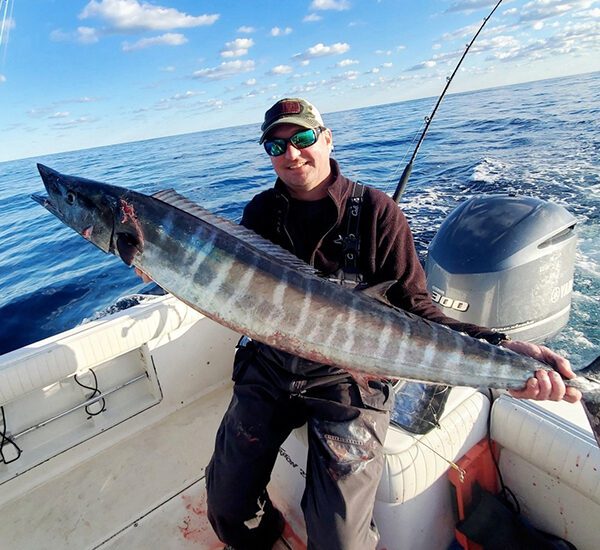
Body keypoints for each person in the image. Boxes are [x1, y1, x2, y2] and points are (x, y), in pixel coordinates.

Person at [137, 97, 581, 550]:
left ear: (326, 138)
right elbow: (230, 291)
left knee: (340, 541)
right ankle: (264, 536)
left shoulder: (378, 212)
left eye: (303, 138)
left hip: (349, 378)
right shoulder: (259, 213)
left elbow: (419, 309)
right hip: (272, 367)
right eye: (276, 146)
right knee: (227, 509)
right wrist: (166, 266)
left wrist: (505, 348)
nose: (292, 155)